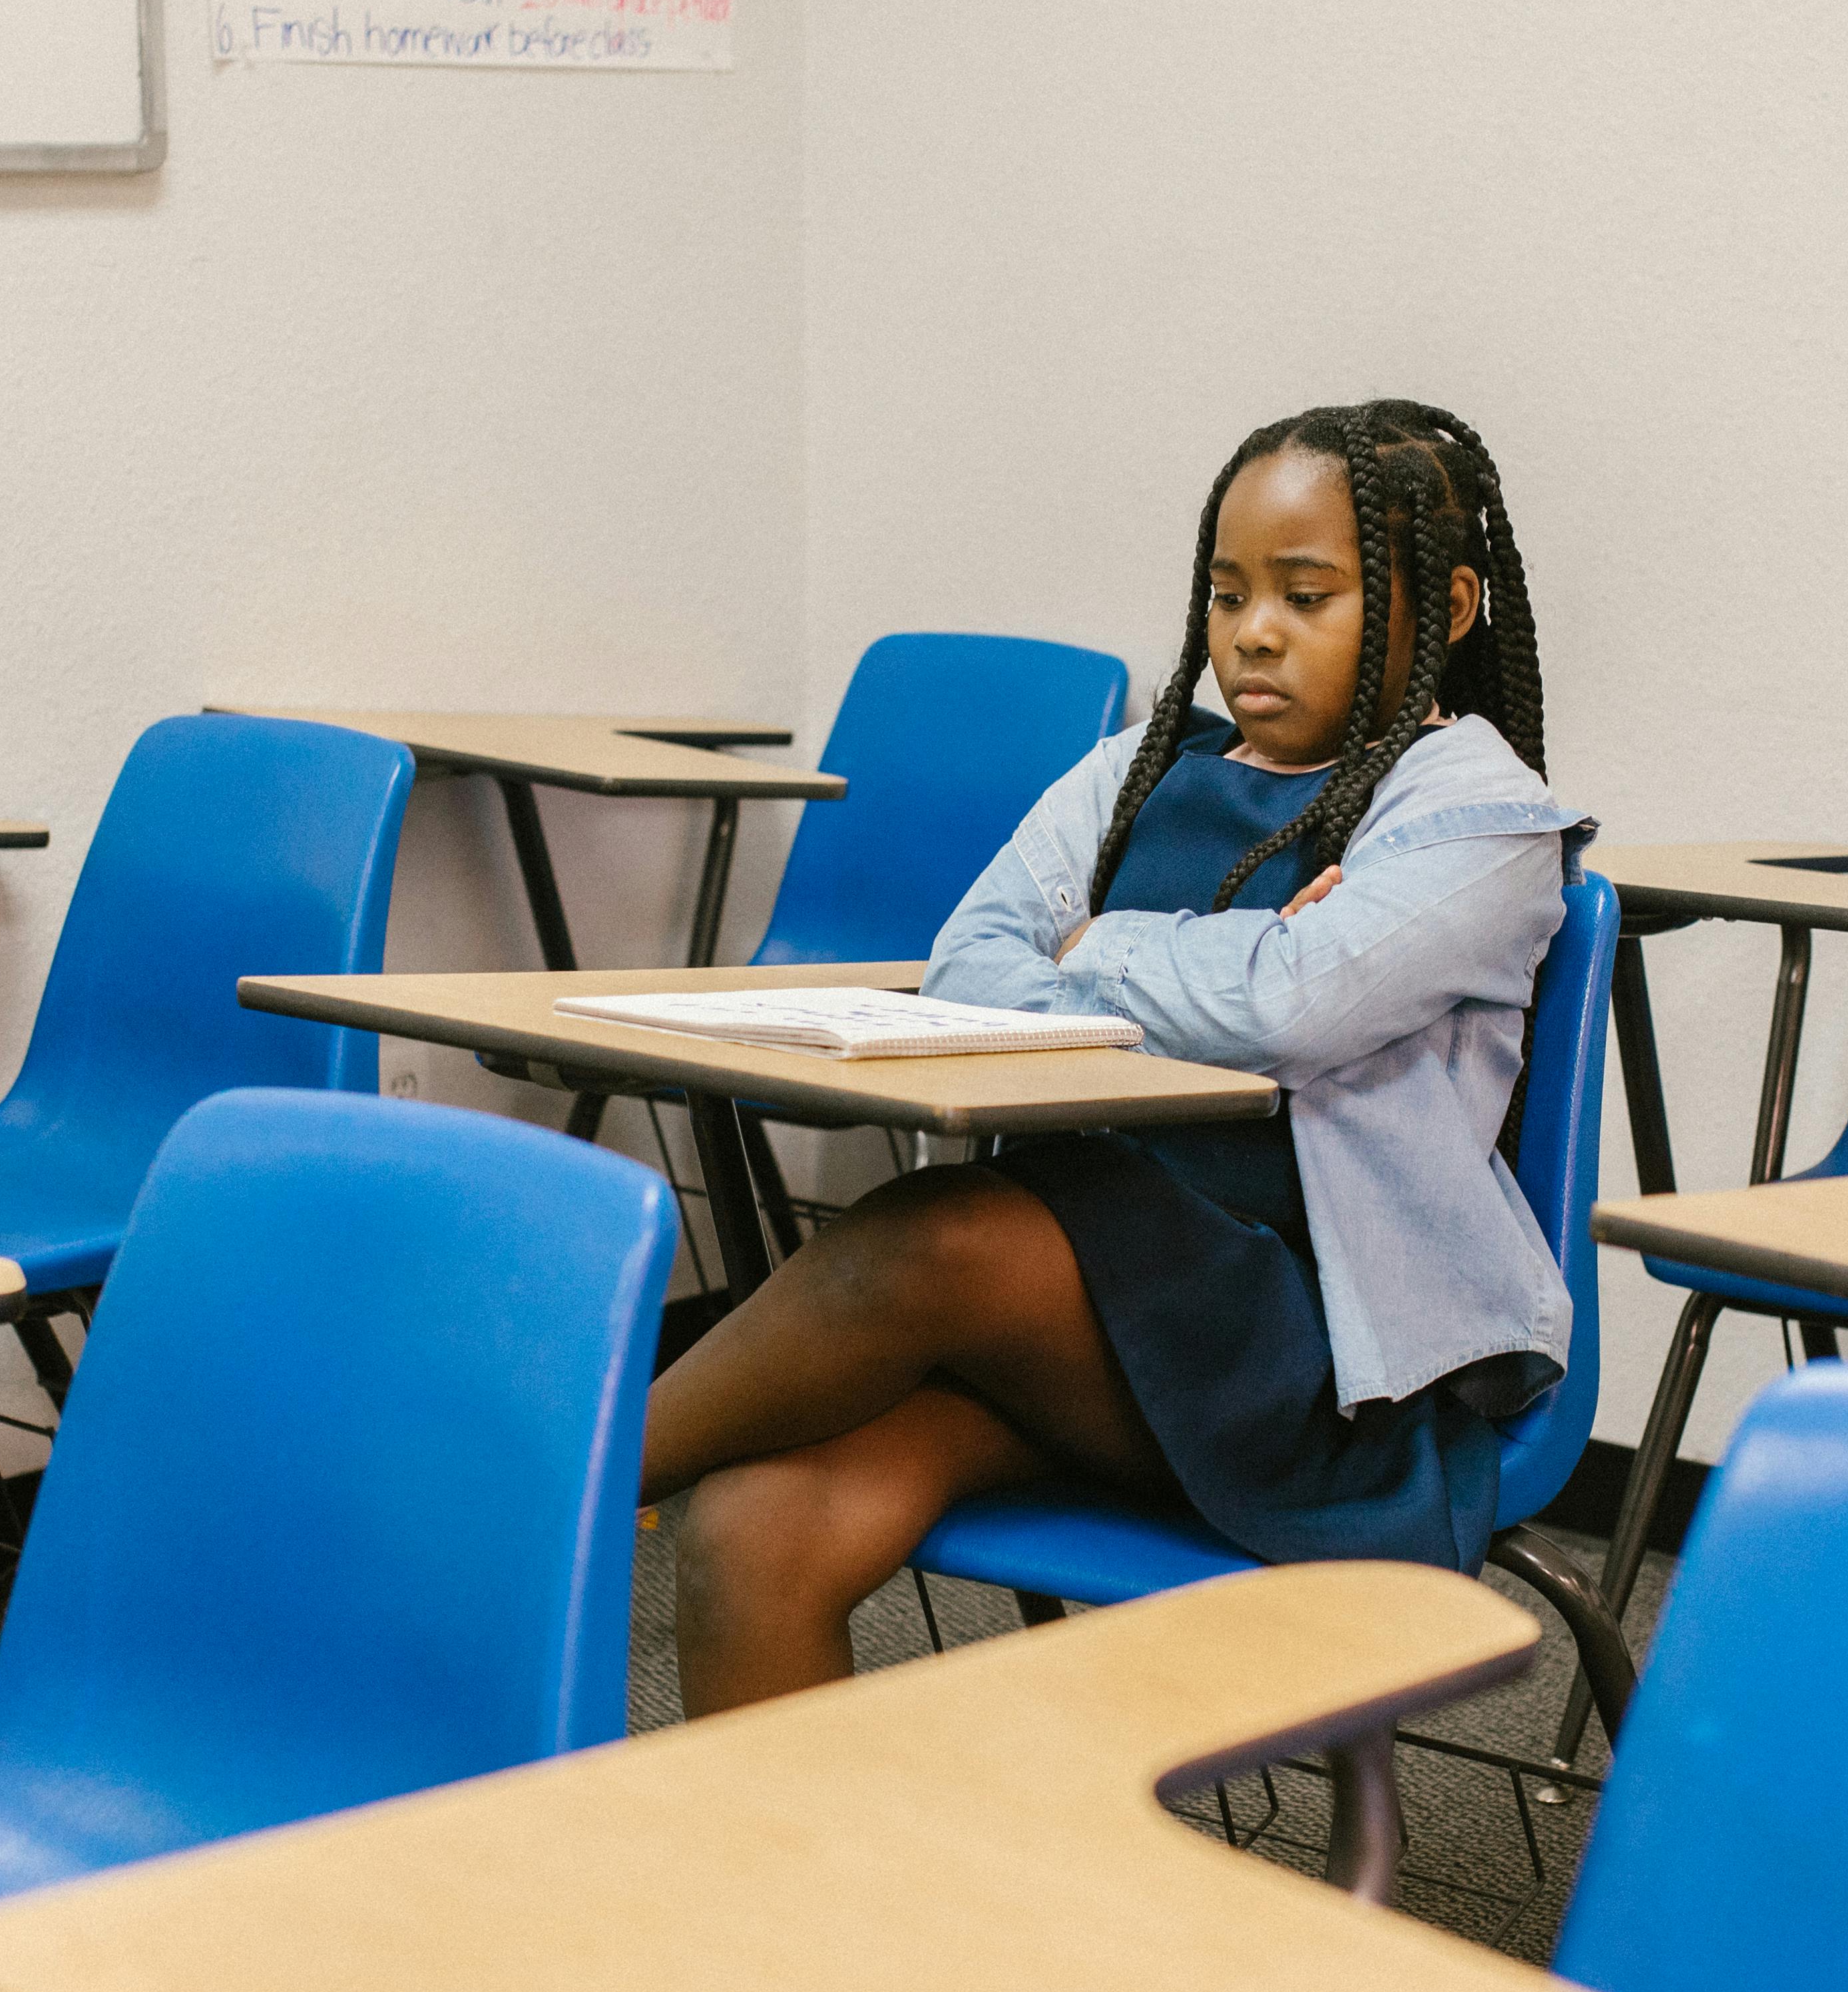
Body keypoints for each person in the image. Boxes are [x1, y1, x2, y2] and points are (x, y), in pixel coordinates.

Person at [640, 399, 1590, 1712]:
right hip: (1081, 1335)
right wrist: (1207, 951)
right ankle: (807, 1916)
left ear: (1451, 605)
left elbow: (1293, 1010)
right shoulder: (1131, 772)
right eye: (1228, 592)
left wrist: (1094, 942)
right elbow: (969, 962)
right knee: (750, 1527)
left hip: (1318, 1368)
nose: (1254, 630)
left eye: (1306, 595)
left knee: (945, 1231)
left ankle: (554, 1480)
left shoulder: (1478, 813)